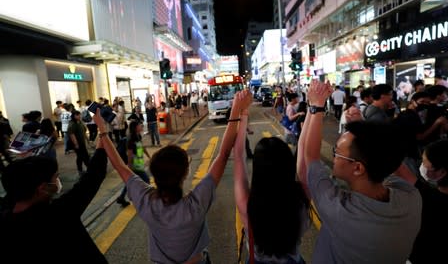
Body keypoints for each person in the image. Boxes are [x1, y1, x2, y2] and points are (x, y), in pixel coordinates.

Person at [93, 90, 253, 263]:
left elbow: (120, 165)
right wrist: (237, 109)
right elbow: (222, 155)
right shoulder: (195, 205)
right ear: (186, 173)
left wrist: (102, 130)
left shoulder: (147, 203)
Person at [297, 80, 422, 263]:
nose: (334, 157)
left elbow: (310, 156)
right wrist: (367, 131)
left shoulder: (340, 210)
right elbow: (388, 157)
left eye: (337, 152)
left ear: (358, 168)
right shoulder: (410, 197)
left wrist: (316, 106)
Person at [0, 121, 108, 264]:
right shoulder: (59, 214)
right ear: (42, 188)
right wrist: (103, 133)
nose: (57, 181)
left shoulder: (6, 211)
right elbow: (93, 177)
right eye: (55, 177)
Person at [233, 110, 311, 263]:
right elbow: (303, 147)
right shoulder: (301, 197)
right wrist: (314, 109)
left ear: (257, 169)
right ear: (288, 166)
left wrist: (243, 114)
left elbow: (238, 156)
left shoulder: (247, 204)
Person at [395, 139, 448, 264]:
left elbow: (401, 171)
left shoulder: (430, 200)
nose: (422, 166)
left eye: (426, 164)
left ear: (441, 172)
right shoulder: (430, 194)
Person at [116, 120, 152, 207]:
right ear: (135, 127)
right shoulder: (131, 139)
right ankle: (146, 199)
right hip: (135, 166)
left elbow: (142, 147)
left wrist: (149, 156)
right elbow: (129, 154)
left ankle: (121, 197)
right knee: (146, 180)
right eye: (140, 125)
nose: (141, 126)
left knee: (130, 181)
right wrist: (129, 167)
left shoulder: (138, 136)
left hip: (139, 164)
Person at [68, 111, 90, 177]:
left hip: (82, 142)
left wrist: (87, 139)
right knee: (81, 156)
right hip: (77, 143)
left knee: (83, 156)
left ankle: (85, 169)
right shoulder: (72, 124)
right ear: (74, 116)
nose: (79, 116)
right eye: (77, 115)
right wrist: (76, 144)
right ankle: (81, 170)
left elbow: (84, 131)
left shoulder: (80, 122)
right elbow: (72, 134)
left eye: (79, 115)